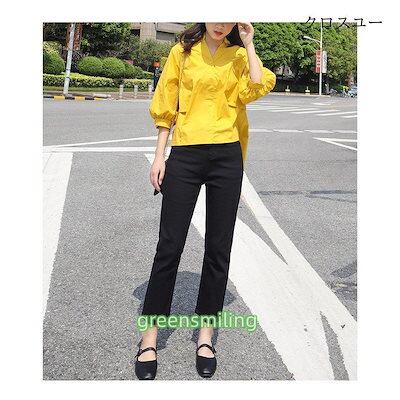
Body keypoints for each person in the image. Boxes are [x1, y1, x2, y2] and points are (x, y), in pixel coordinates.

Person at [135, 22, 276, 380]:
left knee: (218, 248)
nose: (220, 23)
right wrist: (159, 156)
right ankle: (149, 338)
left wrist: (249, 44)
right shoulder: (182, 52)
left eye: (229, 17)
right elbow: (166, 103)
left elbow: (257, 86)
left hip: (227, 156)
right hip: (186, 153)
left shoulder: (239, 55)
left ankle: (205, 337)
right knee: (169, 246)